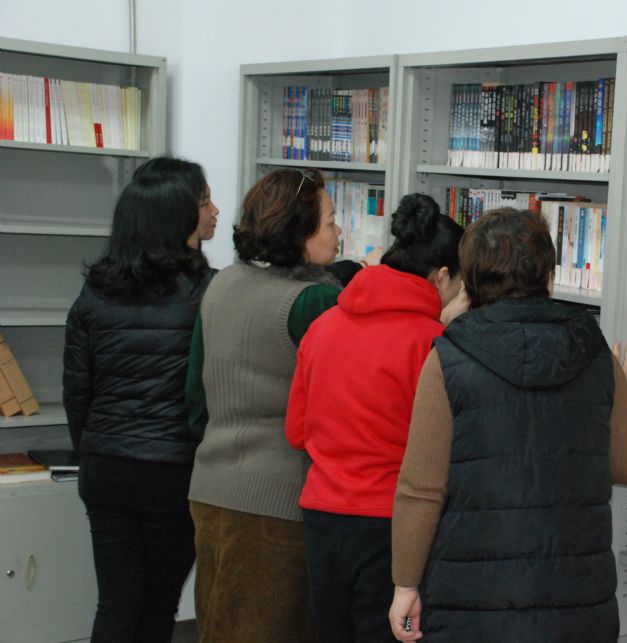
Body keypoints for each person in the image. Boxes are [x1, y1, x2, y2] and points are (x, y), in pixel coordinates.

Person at [388, 207, 627, 643]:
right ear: (549, 277)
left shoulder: (449, 359)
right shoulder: (596, 356)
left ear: (470, 282)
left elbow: (421, 489)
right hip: (576, 606)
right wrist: (617, 398)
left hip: (472, 605)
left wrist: (405, 586)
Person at [186, 168, 373, 642]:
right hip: (281, 502)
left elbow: (196, 400)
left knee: (217, 627)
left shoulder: (221, 284)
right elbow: (346, 410)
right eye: (329, 222)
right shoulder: (316, 301)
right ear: (299, 232)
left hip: (209, 489)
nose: (338, 232)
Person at [286, 193, 464, 642]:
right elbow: (442, 452)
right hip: (393, 527)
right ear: (443, 276)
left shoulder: (323, 326)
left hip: (322, 517)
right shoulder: (434, 344)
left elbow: (296, 432)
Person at [62, 156, 218, 643]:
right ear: (177, 215)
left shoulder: (95, 291)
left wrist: (94, 447)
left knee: (115, 603)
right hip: (172, 471)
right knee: (156, 608)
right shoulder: (208, 293)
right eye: (205, 201)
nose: (215, 211)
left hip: (105, 468)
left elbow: (77, 391)